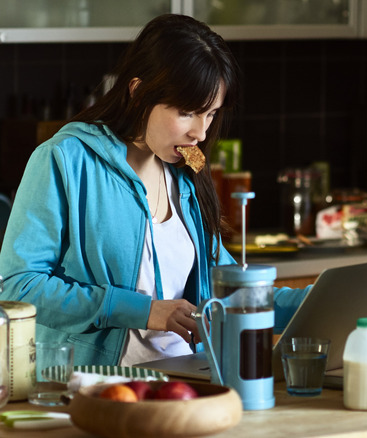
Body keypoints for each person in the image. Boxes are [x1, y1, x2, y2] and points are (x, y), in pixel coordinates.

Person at [0, 14, 311, 367]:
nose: (201, 133)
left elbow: (231, 291)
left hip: (189, 379)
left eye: (210, 114)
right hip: (95, 385)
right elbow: (18, 286)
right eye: (187, 112)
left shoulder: (187, 168)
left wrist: (320, 301)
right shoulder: (65, 159)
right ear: (138, 92)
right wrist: (145, 311)